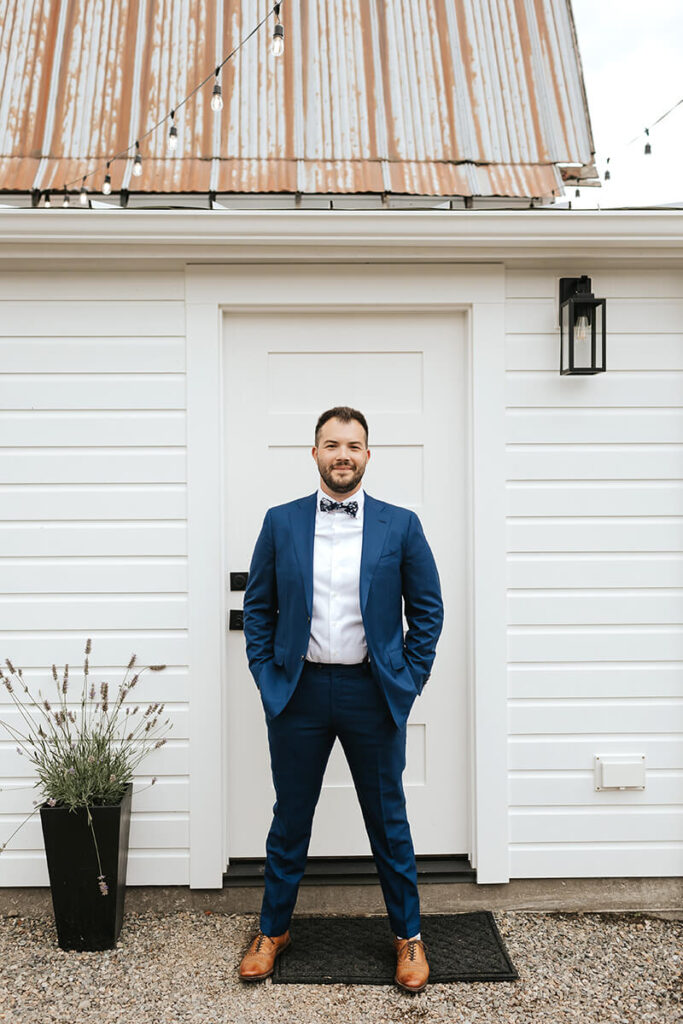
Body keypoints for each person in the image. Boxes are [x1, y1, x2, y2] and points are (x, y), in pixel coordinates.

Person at [239, 406, 444, 993]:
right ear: (315, 454)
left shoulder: (399, 525)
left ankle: (408, 935)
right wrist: (266, 673)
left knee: (389, 820)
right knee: (290, 818)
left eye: (353, 445)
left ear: (368, 456)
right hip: (298, 692)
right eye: (331, 444)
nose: (342, 454)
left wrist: (407, 678)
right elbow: (259, 608)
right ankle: (272, 930)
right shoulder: (280, 523)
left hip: (370, 692)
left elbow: (427, 610)